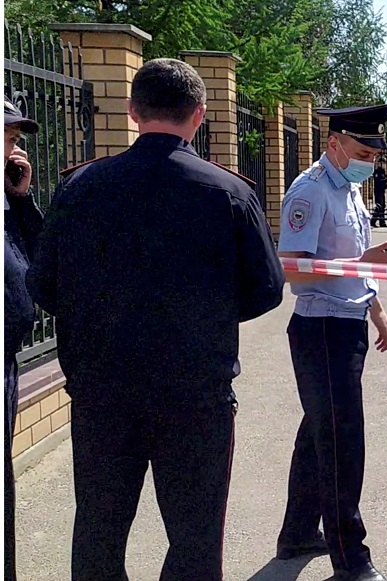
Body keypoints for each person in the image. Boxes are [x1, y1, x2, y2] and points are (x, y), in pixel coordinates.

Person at [26, 58, 286, 580]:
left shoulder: (80, 187)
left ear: (132, 110)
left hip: (103, 393)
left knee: (99, 532)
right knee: (195, 539)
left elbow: (43, 285)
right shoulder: (230, 193)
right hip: (194, 395)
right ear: (200, 114)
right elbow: (267, 290)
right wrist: (206, 317)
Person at [276, 103, 387, 581]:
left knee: (320, 433)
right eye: (363, 153)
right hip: (322, 331)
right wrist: (366, 262)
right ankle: (351, 560)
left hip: (347, 323)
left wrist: (376, 308)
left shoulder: (347, 189)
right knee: (342, 443)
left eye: (374, 156)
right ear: (334, 144)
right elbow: (293, 269)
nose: (369, 162)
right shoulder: (310, 191)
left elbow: (353, 261)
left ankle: (296, 533)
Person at [4, 98, 42, 581]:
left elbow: (39, 258)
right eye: (9, 137)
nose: (16, 149)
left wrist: (21, 198)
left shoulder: (7, 199)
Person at [371, 159, 387, 228]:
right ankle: (373, 221)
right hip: (378, 191)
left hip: (382, 190)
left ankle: (382, 222)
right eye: (382, 163)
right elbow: (377, 181)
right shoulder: (377, 171)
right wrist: (385, 180)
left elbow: (385, 180)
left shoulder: (383, 171)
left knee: (382, 206)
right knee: (379, 207)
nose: (384, 164)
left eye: (384, 163)